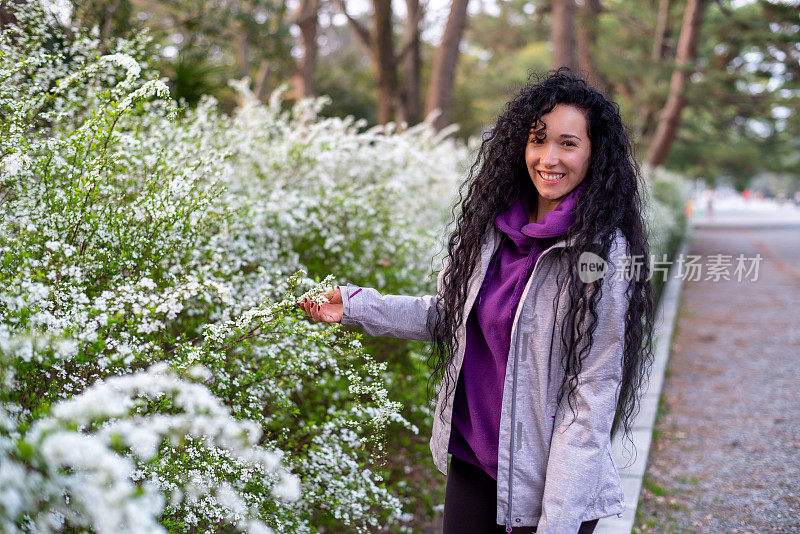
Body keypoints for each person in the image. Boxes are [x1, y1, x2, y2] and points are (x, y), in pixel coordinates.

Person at [298, 69, 654, 534]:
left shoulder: (601, 254)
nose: (549, 158)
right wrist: (357, 306)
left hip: (545, 484)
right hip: (473, 458)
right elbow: (448, 315)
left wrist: (558, 521)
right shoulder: (490, 229)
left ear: (594, 154)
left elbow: (591, 393)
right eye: (538, 140)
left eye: (568, 144)